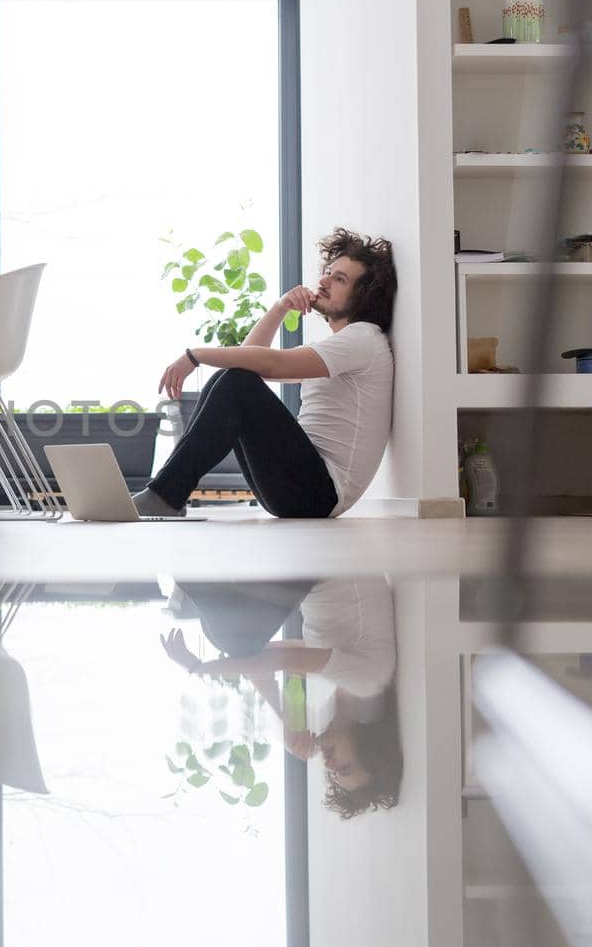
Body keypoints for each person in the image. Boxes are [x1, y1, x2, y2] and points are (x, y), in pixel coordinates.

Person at [134, 227, 397, 519]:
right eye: (329, 272)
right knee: (232, 378)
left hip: (319, 492)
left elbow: (267, 366)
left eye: (339, 279)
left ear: (363, 296)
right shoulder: (342, 344)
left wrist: (195, 355)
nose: (324, 282)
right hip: (300, 487)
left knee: (237, 383)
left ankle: (165, 495)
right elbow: (246, 363)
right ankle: (166, 493)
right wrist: (281, 306)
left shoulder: (363, 339)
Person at [160, 576, 402, 818]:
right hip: (325, 561)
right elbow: (278, 659)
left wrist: (286, 721)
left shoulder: (347, 682)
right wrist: (197, 668)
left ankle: (188, 570)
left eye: (333, 773)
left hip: (314, 569)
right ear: (368, 748)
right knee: (234, 638)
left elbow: (259, 658)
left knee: (229, 637)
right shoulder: (369, 680)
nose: (329, 765)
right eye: (345, 767)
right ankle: (185, 570)